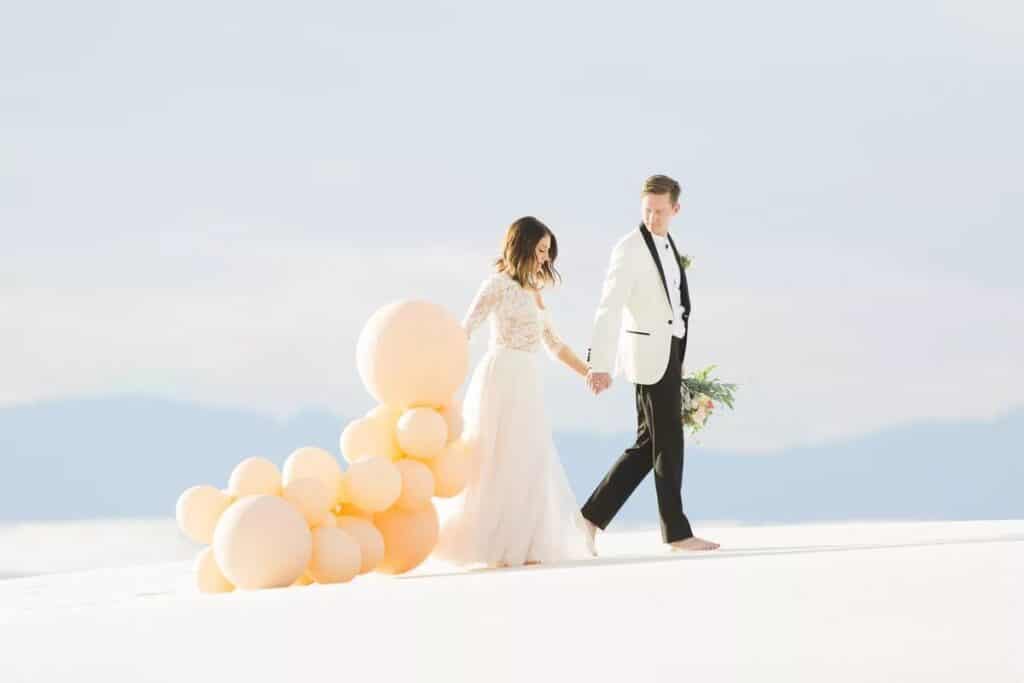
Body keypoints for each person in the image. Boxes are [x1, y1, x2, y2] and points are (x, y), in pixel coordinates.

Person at [435, 216, 592, 568]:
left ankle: (525, 545)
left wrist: (588, 373)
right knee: (495, 458)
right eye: (540, 250)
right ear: (521, 246)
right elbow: (466, 330)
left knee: (529, 457)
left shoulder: (535, 290)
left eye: (548, 253)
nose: (545, 259)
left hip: (527, 380)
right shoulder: (497, 285)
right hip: (500, 375)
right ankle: (492, 546)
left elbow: (553, 343)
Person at [581, 174, 720, 554]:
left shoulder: (668, 242)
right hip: (646, 357)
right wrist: (600, 363)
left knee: (649, 445)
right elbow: (608, 307)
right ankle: (676, 533)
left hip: (668, 353)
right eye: (647, 211)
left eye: (660, 211)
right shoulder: (628, 248)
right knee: (667, 443)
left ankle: (587, 519)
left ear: (676, 209)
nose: (653, 218)